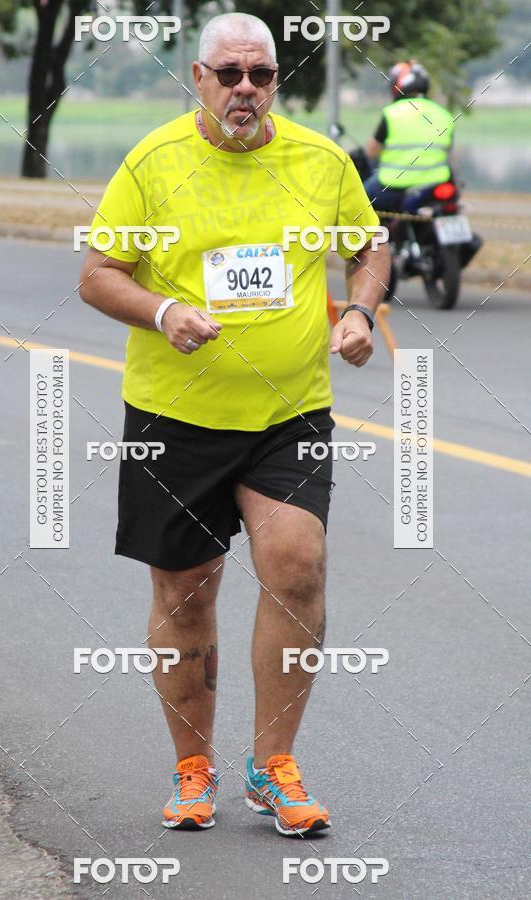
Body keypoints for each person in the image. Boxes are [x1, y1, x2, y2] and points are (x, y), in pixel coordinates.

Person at [80, 12, 389, 837]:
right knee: (186, 593)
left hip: (289, 413)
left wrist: (359, 311)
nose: (245, 88)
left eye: (261, 74)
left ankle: (272, 766)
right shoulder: (153, 161)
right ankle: (193, 768)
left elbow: (369, 247)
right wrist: (163, 310)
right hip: (176, 417)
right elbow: (99, 273)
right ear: (199, 78)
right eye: (230, 74)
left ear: (276, 81)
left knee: (298, 567)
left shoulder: (321, 160)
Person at [363, 61, 455, 211]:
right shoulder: (444, 114)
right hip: (437, 182)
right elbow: (448, 150)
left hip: (394, 185)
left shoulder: (392, 113)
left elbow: (371, 151)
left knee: (360, 199)